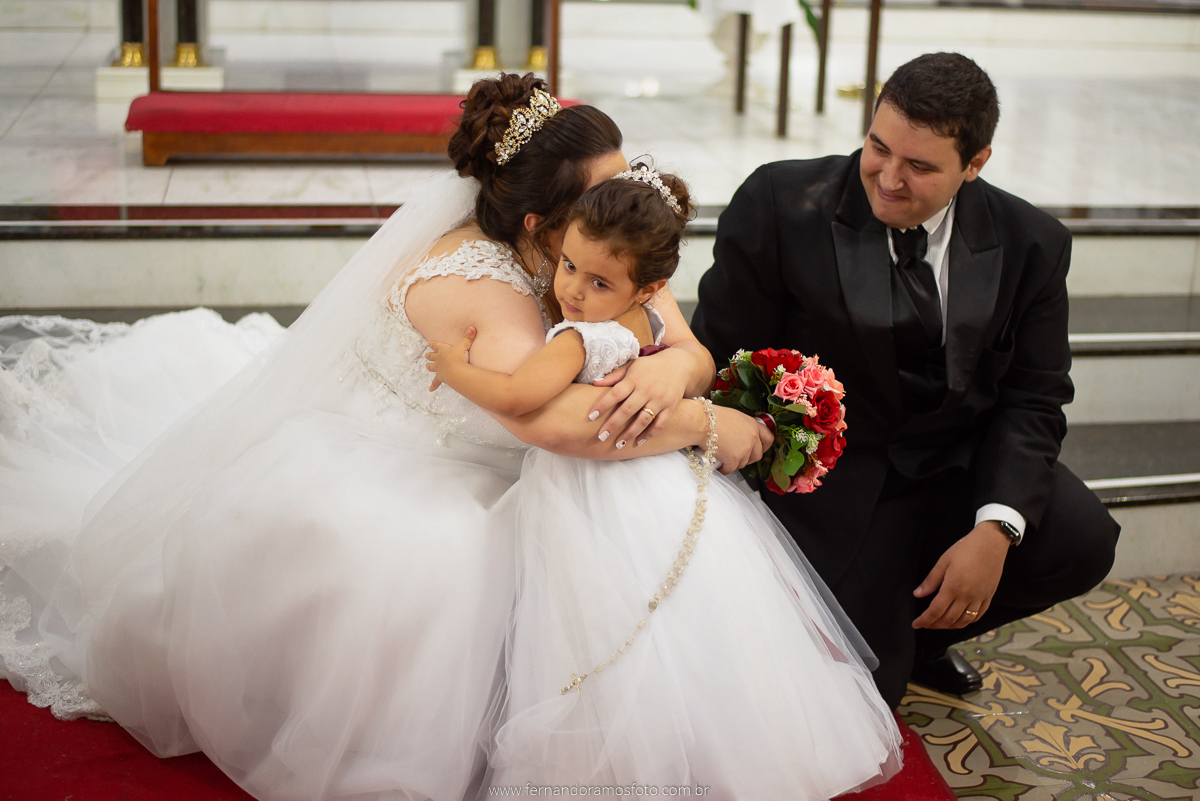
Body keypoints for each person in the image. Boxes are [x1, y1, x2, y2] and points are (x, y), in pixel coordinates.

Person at [0, 74, 774, 801]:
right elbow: (555, 424)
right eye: (608, 187)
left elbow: (686, 342)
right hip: (418, 461)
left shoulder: (602, 235)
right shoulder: (484, 290)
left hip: (516, 444)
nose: (629, 192)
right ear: (541, 227)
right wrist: (712, 423)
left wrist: (675, 374)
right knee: (454, 562)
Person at [426, 165, 902, 795]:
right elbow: (688, 355)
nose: (571, 288)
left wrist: (454, 369)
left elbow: (519, 397)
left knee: (596, 616)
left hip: (591, 484)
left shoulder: (577, 337)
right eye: (568, 266)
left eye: (597, 281)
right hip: (664, 479)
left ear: (647, 283)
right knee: (691, 618)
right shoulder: (644, 315)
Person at [691, 52, 1121, 709]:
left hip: (954, 464)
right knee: (853, 696)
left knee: (1081, 537)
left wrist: (995, 529)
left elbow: (1035, 396)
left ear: (975, 163)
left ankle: (921, 636)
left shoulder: (1033, 242)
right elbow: (720, 360)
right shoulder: (781, 203)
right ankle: (896, 635)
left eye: (919, 166)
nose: (888, 179)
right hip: (834, 478)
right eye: (877, 147)